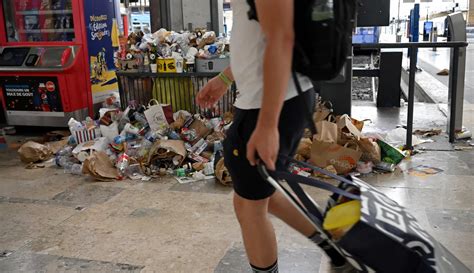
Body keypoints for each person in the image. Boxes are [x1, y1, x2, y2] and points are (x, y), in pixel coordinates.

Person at [197, 0, 354, 272]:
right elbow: (260, 32)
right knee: (261, 196)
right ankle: (336, 250)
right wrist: (225, 78)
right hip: (272, 99)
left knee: (249, 208)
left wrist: (268, 124)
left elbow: (281, 37)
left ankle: (337, 252)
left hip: (271, 103)